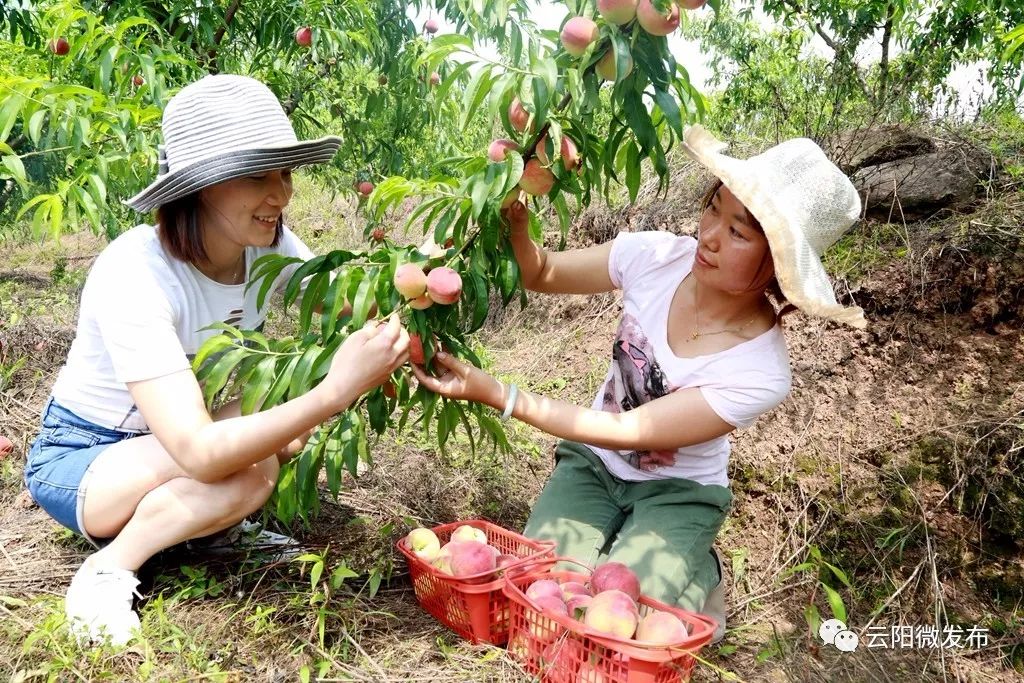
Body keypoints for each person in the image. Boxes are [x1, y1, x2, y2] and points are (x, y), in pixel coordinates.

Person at [412, 124, 865, 643]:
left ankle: (698, 566)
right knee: (545, 594)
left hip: (678, 491)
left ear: (777, 267)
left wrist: (503, 396)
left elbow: (631, 429)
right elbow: (543, 273)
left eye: (739, 232)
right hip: (594, 463)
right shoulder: (657, 256)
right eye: (714, 207)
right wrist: (517, 225)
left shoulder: (761, 371)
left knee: (619, 620)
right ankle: (640, 551)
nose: (710, 234)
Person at [23, 74, 410, 646]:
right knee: (250, 465)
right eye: (258, 175)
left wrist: (424, 272)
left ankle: (201, 533)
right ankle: (109, 567)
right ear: (202, 187)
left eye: (284, 174)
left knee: (276, 443)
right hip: (85, 458)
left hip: (172, 443)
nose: (281, 194)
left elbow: (344, 300)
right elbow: (201, 452)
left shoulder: (270, 245)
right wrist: (333, 392)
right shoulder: (137, 272)